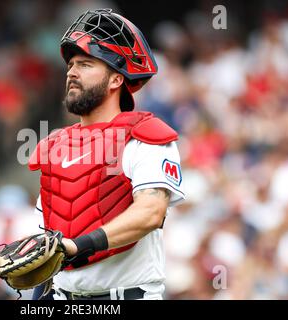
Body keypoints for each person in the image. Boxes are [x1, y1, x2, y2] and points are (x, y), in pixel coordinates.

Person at [28, 8, 185, 300]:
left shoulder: (145, 136)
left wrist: (80, 245)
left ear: (116, 80)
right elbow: (51, 238)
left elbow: (151, 213)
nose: (72, 72)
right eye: (71, 65)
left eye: (86, 64)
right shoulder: (55, 146)